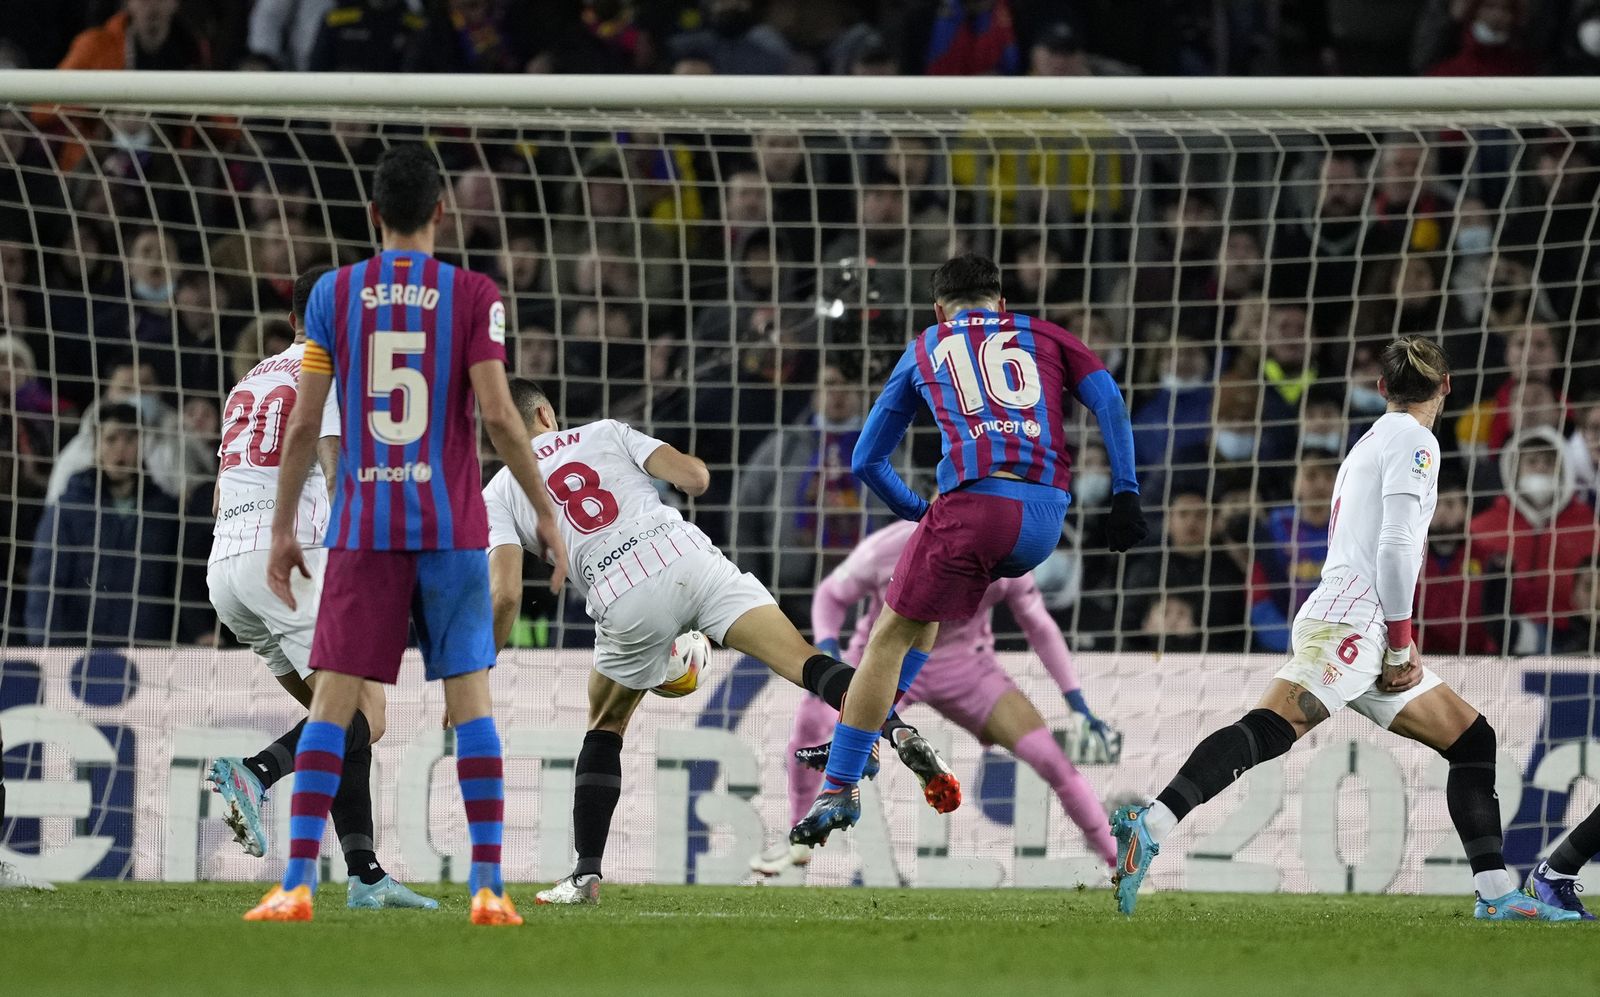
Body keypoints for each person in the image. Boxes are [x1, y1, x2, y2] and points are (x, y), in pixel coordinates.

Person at [1110, 336, 1580, 922]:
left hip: (1349, 613)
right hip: (1358, 620)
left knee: (1470, 740)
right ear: (1447, 388)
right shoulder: (1417, 443)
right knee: (1272, 727)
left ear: (1382, 389)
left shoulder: (1370, 441)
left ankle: (1495, 894)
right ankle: (1150, 823)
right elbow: (1398, 545)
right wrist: (1402, 639)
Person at [243, 144, 569, 926]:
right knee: (472, 698)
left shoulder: (335, 295)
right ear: (441, 212)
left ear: (374, 214)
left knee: (331, 702)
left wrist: (286, 526)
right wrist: (546, 512)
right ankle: (488, 887)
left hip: (363, 524)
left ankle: (294, 884)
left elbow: (305, 421)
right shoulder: (470, 294)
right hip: (450, 521)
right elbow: (497, 414)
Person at [481, 380, 955, 905]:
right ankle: (897, 728)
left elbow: (505, 596)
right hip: (687, 554)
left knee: (606, 724)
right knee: (807, 662)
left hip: (621, 588)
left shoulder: (499, 491)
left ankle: (584, 875)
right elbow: (696, 478)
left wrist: (479, 668)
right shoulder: (605, 432)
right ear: (546, 414)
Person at [790, 252, 1147, 846]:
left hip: (975, 510)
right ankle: (871, 728)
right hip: (1043, 520)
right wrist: (1127, 493)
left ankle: (840, 781)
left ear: (939, 308)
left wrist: (917, 511)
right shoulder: (1046, 334)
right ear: (1001, 303)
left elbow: (865, 460)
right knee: (923, 619)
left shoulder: (927, 345)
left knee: (886, 635)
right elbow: (1109, 400)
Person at [203, 266, 434, 911]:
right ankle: (256, 773)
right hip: (295, 561)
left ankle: (364, 875)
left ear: (290, 319)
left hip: (227, 570)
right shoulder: (327, 367)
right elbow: (329, 450)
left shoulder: (247, 383)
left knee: (334, 717)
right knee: (366, 716)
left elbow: (226, 484)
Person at [750, 517, 1120, 877]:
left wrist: (1077, 703)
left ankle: (1117, 860)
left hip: (965, 669)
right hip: (886, 662)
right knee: (812, 719)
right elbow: (832, 594)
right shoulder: (891, 545)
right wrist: (830, 650)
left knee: (1050, 758)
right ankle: (799, 836)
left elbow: (1039, 626)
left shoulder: (1003, 555)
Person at [25, 403, 183, 646]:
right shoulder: (69, 507)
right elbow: (46, 581)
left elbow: (177, 583)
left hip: (149, 652)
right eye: (111, 439)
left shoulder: (165, 510)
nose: (121, 449)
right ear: (96, 445)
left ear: (142, 444)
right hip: (79, 650)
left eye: (130, 439)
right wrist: (45, 646)